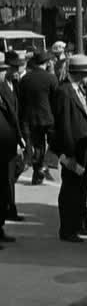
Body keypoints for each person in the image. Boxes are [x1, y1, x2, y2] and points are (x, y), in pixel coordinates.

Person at [53, 55, 87, 243]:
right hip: (72, 149)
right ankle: (68, 229)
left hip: (82, 147)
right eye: (86, 73)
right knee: (70, 189)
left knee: (80, 188)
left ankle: (79, 224)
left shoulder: (78, 89)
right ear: (79, 73)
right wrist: (68, 154)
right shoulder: (64, 91)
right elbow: (63, 124)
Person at [18, 50, 57, 185]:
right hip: (48, 116)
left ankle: (37, 171)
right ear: (45, 63)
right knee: (53, 143)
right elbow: (55, 98)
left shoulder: (25, 79)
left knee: (38, 145)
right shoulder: (50, 78)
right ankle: (46, 165)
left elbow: (20, 100)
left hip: (31, 117)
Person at [0, 52, 23, 245]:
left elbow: (16, 114)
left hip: (9, 143)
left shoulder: (12, 85)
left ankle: (1, 226)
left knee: (6, 184)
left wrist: (20, 138)